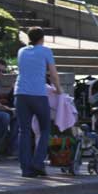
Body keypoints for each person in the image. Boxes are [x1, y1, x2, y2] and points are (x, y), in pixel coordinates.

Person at [15, 27, 63, 177]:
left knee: (24, 131)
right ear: (42, 38)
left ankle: (25, 169)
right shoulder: (45, 51)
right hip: (38, 94)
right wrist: (59, 90)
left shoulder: (21, 51)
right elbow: (53, 75)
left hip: (20, 94)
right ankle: (38, 163)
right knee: (45, 129)